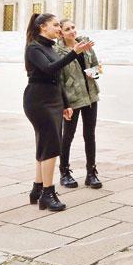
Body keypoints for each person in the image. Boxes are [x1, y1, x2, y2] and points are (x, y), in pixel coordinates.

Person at [24, 13, 93, 212]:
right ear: (42, 27)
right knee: (52, 147)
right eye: (55, 25)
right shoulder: (34, 48)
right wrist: (75, 53)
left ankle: (37, 189)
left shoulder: (51, 47)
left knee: (44, 145)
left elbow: (58, 76)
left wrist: (65, 103)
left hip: (55, 98)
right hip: (39, 100)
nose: (59, 29)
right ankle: (48, 192)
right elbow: (48, 69)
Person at [54, 19, 103, 189]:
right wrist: (63, 103)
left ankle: (91, 173)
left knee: (90, 135)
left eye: (73, 27)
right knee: (68, 135)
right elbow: (59, 78)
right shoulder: (58, 51)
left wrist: (94, 73)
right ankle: (64, 172)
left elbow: (96, 66)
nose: (72, 31)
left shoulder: (86, 44)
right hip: (72, 98)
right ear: (60, 33)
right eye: (67, 29)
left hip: (90, 96)